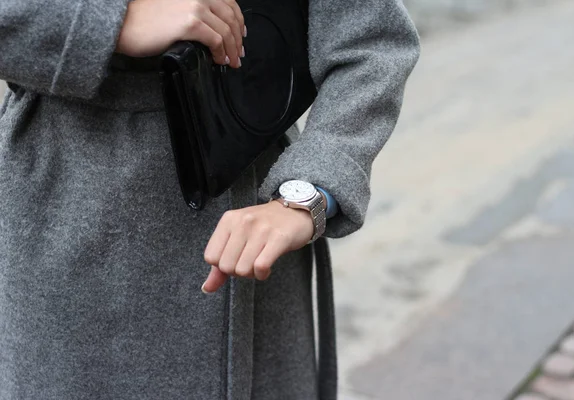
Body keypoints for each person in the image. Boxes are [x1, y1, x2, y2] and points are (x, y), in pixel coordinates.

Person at [0, 0, 420, 398]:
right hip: (58, 219)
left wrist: (309, 190)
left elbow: (372, 44)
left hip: (246, 220)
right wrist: (108, 20)